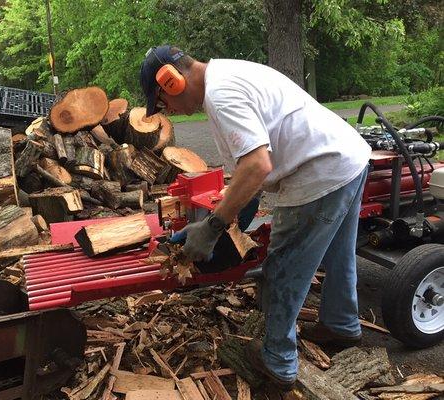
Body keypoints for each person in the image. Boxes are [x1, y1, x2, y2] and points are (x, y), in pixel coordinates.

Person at [139, 45, 371, 390]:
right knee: (338, 254)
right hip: (347, 159)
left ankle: (278, 362)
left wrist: (213, 226)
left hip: (318, 172)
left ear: (171, 82)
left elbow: (258, 165)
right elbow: (253, 169)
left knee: (283, 267)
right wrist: (224, 221)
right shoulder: (227, 75)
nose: (168, 111)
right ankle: (341, 324)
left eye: (162, 103)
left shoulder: (222, 95)